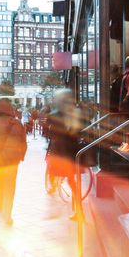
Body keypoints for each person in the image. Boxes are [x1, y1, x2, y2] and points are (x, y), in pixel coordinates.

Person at [0, 99, 27, 225]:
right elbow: (23, 143)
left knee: (0, 183)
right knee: (10, 186)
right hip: (13, 161)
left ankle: (0, 208)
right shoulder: (18, 123)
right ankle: (8, 214)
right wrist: (20, 156)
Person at [47, 89, 84, 220]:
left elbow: (52, 132)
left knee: (66, 179)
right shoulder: (76, 112)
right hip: (73, 151)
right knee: (73, 182)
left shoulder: (58, 114)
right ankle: (79, 211)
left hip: (62, 152)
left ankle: (79, 212)